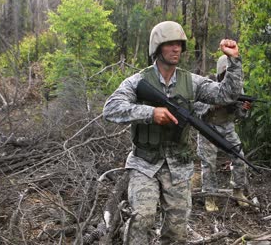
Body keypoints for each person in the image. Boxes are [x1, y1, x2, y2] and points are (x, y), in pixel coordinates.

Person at [102, 21, 243, 244]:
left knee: (177, 231)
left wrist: (234, 61)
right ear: (157, 48)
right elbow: (110, 109)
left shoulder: (191, 82)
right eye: (170, 44)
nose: (176, 48)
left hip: (178, 165)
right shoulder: (138, 81)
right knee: (142, 217)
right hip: (144, 164)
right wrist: (150, 112)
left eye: (179, 44)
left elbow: (226, 95)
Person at [194, 54, 251, 212]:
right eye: (225, 73)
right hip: (208, 128)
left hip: (227, 126)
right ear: (220, 72)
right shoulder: (207, 84)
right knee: (208, 163)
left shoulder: (237, 88)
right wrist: (213, 106)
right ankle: (210, 196)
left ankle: (238, 191)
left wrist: (243, 109)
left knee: (240, 158)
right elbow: (195, 106)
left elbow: (240, 115)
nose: (228, 76)